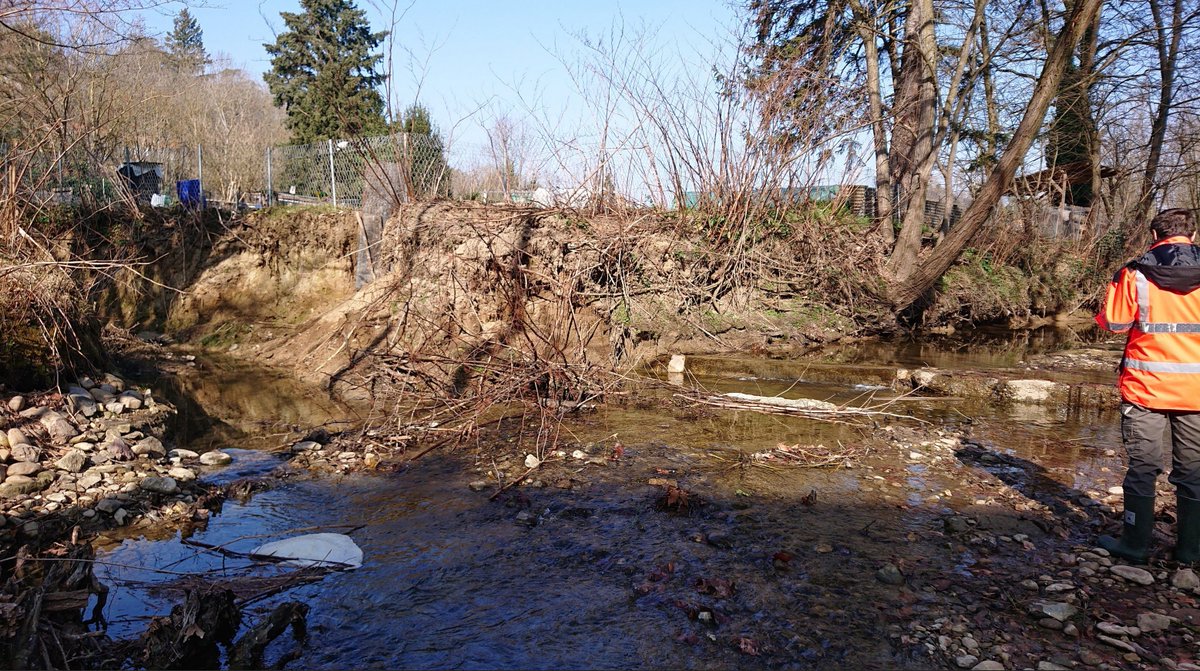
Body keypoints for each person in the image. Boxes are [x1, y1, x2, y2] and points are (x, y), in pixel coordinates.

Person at [1096, 207, 1200, 563]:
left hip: (1145, 389)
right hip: (1197, 393)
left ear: (1155, 237)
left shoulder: (1135, 272)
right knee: (1194, 473)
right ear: (1193, 236)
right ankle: (1190, 552)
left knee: (1143, 468)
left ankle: (1135, 545)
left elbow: (1113, 323)